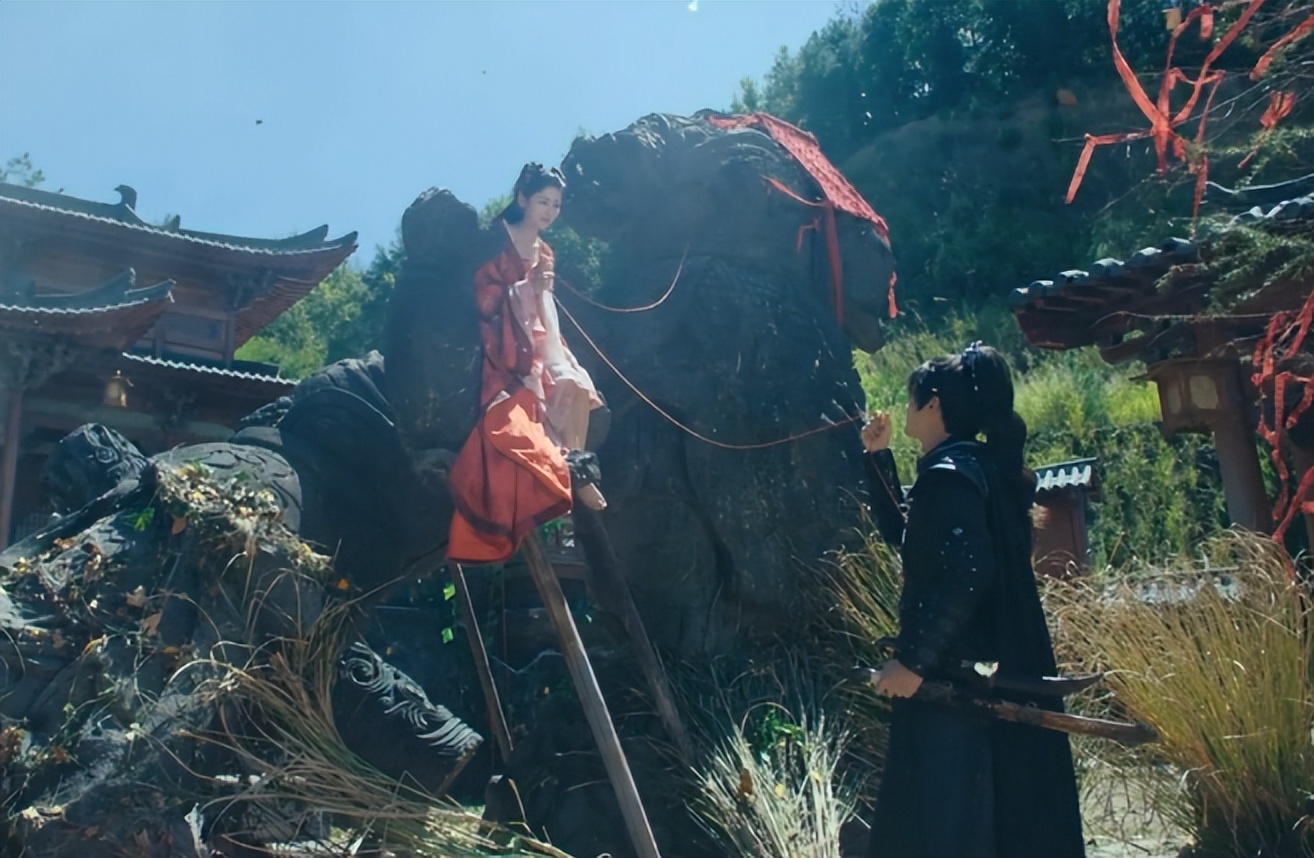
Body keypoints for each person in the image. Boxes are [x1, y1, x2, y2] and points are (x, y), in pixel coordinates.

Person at [861, 342, 1085, 858]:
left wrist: (913, 662)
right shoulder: (976, 467)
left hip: (960, 684)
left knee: (952, 828)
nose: (906, 408)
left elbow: (969, 571)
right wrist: (878, 458)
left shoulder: (951, 475)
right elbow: (910, 534)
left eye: (912, 399)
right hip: (992, 667)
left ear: (933, 404)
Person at [447, 164, 607, 566]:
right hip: (500, 340)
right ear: (522, 199)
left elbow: (545, 304)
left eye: (555, 204)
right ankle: (566, 472)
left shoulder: (545, 252)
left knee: (574, 383)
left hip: (535, 332)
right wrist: (523, 291)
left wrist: (553, 348)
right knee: (516, 421)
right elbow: (482, 296)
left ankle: (577, 464)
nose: (550, 211)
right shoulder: (496, 239)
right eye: (542, 202)